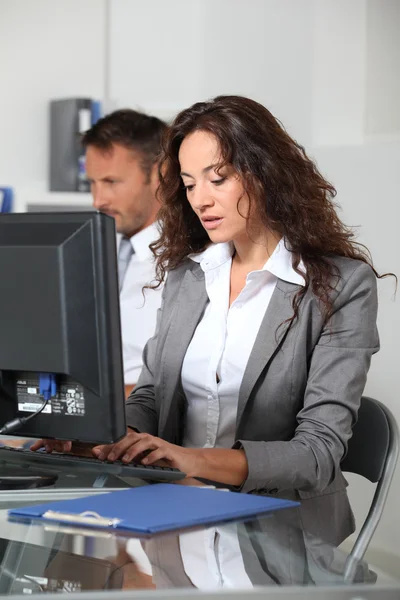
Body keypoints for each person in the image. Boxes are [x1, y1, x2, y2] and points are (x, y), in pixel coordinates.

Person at [33, 95, 386, 546]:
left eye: (217, 178)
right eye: (188, 183)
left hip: (283, 532)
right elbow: (150, 399)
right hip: (172, 514)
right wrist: (99, 436)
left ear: (264, 172)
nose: (201, 199)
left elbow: (317, 454)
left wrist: (190, 459)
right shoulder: (188, 274)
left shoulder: (339, 285)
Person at [83, 109, 167, 396]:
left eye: (111, 182)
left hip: (149, 426)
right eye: (92, 183)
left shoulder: (189, 262)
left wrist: (89, 402)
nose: (98, 200)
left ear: (159, 174)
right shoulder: (97, 250)